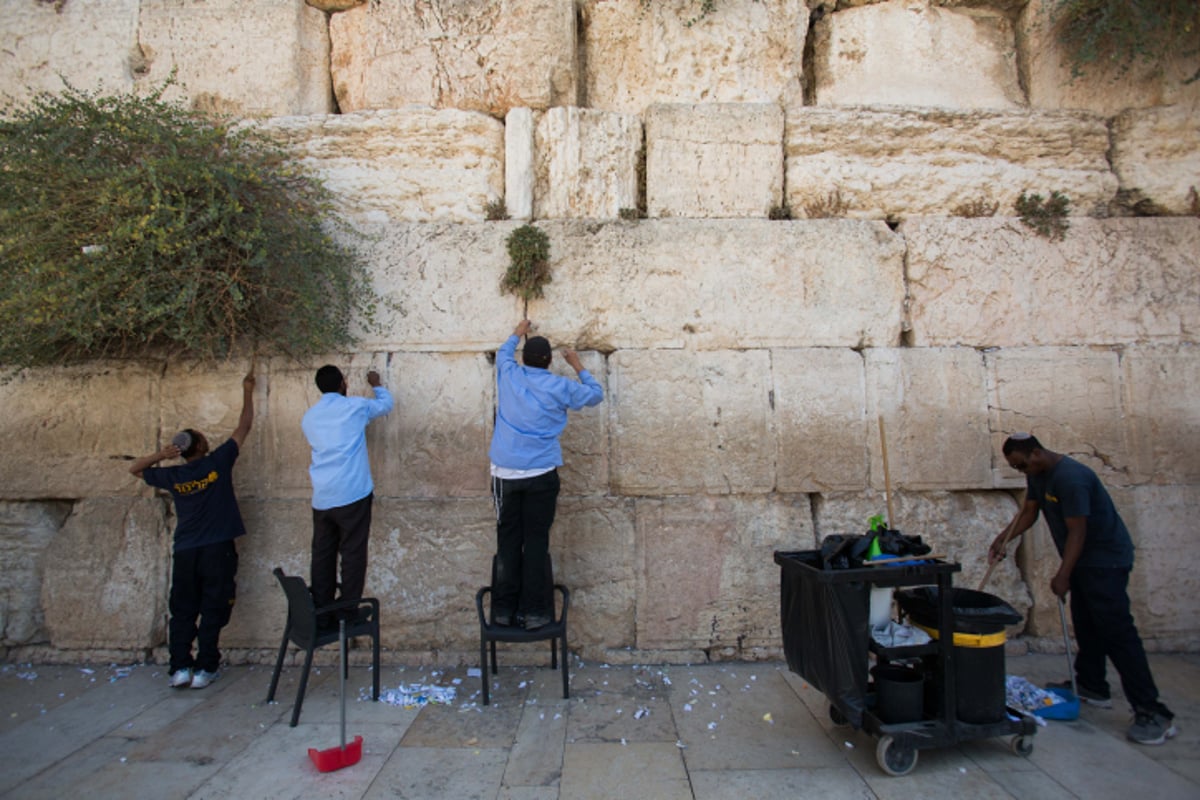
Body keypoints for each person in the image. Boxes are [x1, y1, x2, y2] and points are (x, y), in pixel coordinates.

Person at [989, 433, 1176, 745]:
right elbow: (1030, 512)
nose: (1021, 471)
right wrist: (1002, 539)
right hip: (1083, 563)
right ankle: (1092, 685)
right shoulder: (1038, 473)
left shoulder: (1072, 478)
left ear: (1036, 453)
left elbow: (1078, 531)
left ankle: (1153, 711)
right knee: (1086, 623)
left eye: (1021, 465)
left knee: (1117, 633)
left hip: (1105, 561)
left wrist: (1063, 574)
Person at [130, 371, 256, 689]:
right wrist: (247, 390)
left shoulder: (174, 476)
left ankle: (179, 668)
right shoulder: (218, 463)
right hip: (217, 549)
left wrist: (162, 455)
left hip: (186, 549)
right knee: (214, 606)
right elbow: (244, 426)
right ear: (202, 444)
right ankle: (205, 668)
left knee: (183, 609)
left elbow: (136, 469)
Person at [489, 320, 604, 630]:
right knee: (537, 542)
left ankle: (502, 611)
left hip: (505, 474)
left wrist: (517, 331)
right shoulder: (560, 387)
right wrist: (578, 364)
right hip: (542, 473)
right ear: (549, 361)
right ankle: (536, 613)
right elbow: (595, 395)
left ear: (523, 359)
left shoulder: (509, 374)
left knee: (508, 540)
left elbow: (503, 353)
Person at [301, 365, 393, 627]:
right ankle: (347, 611)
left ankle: (322, 612)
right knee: (352, 553)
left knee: (322, 554)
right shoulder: (354, 407)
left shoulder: (309, 417)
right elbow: (386, 405)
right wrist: (376, 384)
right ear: (343, 383)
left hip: (323, 495)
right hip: (352, 492)